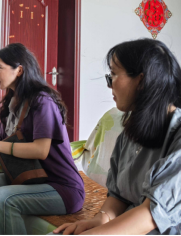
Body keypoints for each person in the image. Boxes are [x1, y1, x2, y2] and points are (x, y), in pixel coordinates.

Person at [0, 43, 84, 235]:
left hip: (61, 187)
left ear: (19, 70)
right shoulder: (11, 103)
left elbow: (40, 150)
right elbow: (4, 144)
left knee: (2, 198)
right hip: (29, 178)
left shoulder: (42, 102)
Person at [54, 39, 181, 235]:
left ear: (141, 81)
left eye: (113, 74)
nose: (109, 84)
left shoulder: (177, 134)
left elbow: (151, 215)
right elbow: (119, 197)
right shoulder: (131, 132)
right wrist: (100, 220)